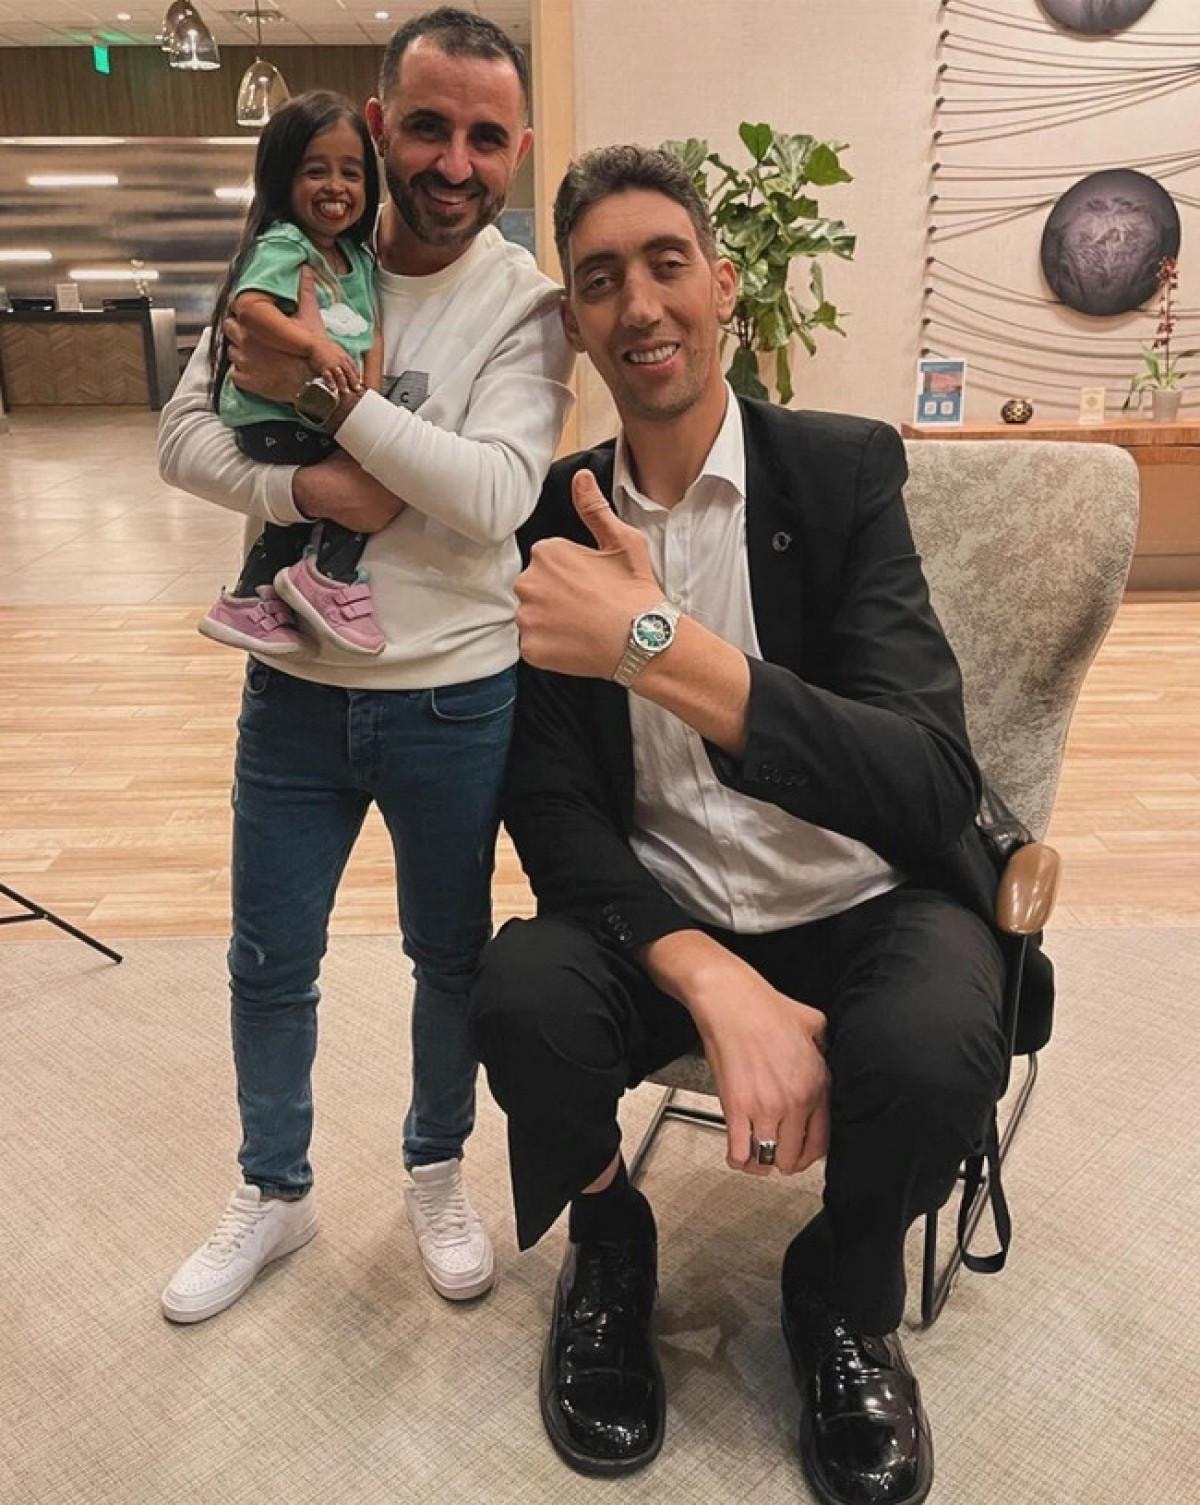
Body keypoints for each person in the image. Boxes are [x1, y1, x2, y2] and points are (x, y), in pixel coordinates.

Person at [469, 145, 1010, 1504]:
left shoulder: (839, 474)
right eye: (602, 280)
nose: (640, 303)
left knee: (941, 1046)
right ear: (577, 321)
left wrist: (655, 645)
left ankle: (842, 1288)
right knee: (521, 999)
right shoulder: (550, 519)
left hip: (864, 900)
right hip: (666, 915)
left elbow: (928, 780)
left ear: (724, 287)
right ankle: (611, 1242)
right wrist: (711, 976)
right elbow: (551, 807)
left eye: (667, 265)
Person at [156, 7, 574, 1325]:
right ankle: (273, 1190)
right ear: (381, 126)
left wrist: (327, 388)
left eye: (487, 138)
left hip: (454, 695)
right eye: (430, 127)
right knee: (265, 960)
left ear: (517, 152)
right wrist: (316, 489)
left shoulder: (526, 305)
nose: (455, 162)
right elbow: (180, 437)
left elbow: (495, 496)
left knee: (449, 959)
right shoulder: (299, 247)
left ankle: (435, 1171)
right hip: (289, 688)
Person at [199, 89, 389, 659]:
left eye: (351, 172)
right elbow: (251, 306)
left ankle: (249, 599)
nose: (336, 186)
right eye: (315, 171)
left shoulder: (357, 258)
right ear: (283, 178)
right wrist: (314, 346)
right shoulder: (286, 245)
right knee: (364, 481)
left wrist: (370, 395)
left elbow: (373, 330)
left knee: (300, 513)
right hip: (270, 418)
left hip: (307, 412)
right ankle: (327, 578)